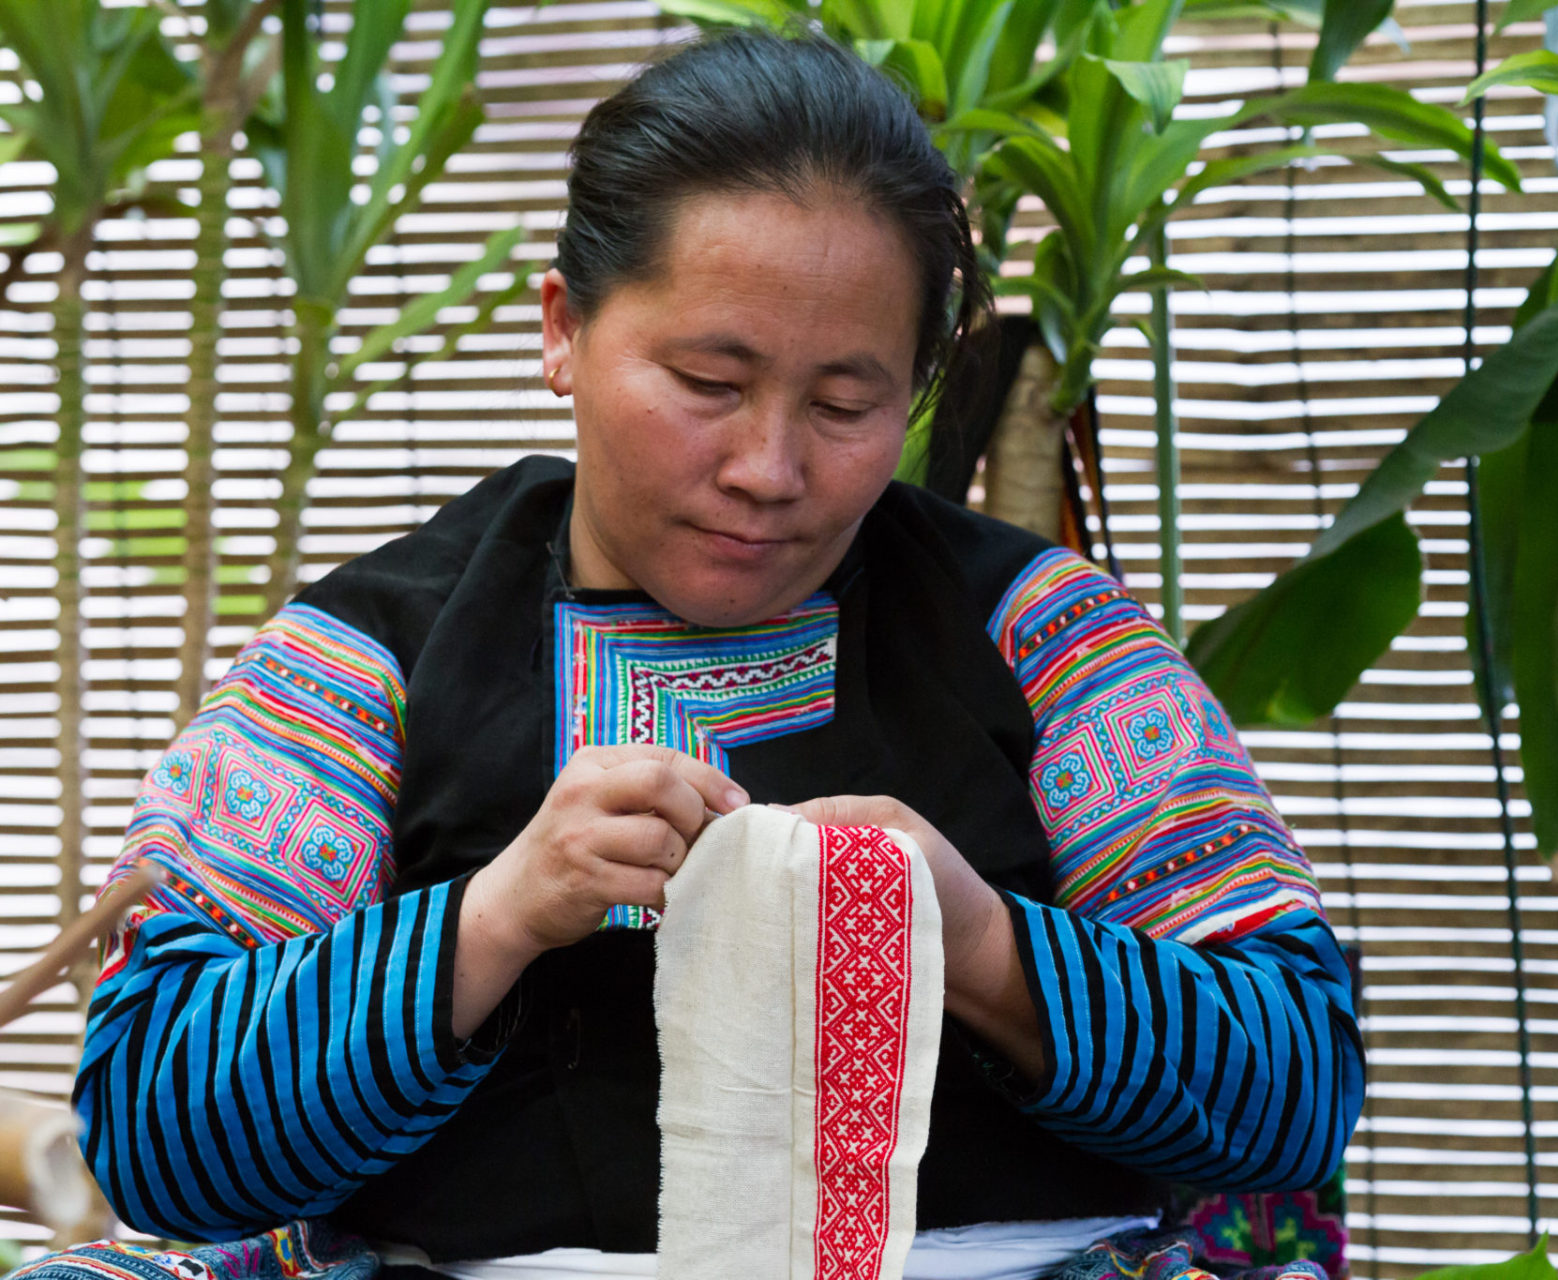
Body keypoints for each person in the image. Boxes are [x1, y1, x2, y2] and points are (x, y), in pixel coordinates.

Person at [64, 30, 1362, 1280]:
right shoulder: (369, 658)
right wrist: (498, 914)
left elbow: (1295, 1089)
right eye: (707, 379)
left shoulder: (1046, 638)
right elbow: (151, 1129)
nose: (768, 469)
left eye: (847, 404)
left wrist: (973, 937)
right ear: (564, 328)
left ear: (916, 389)